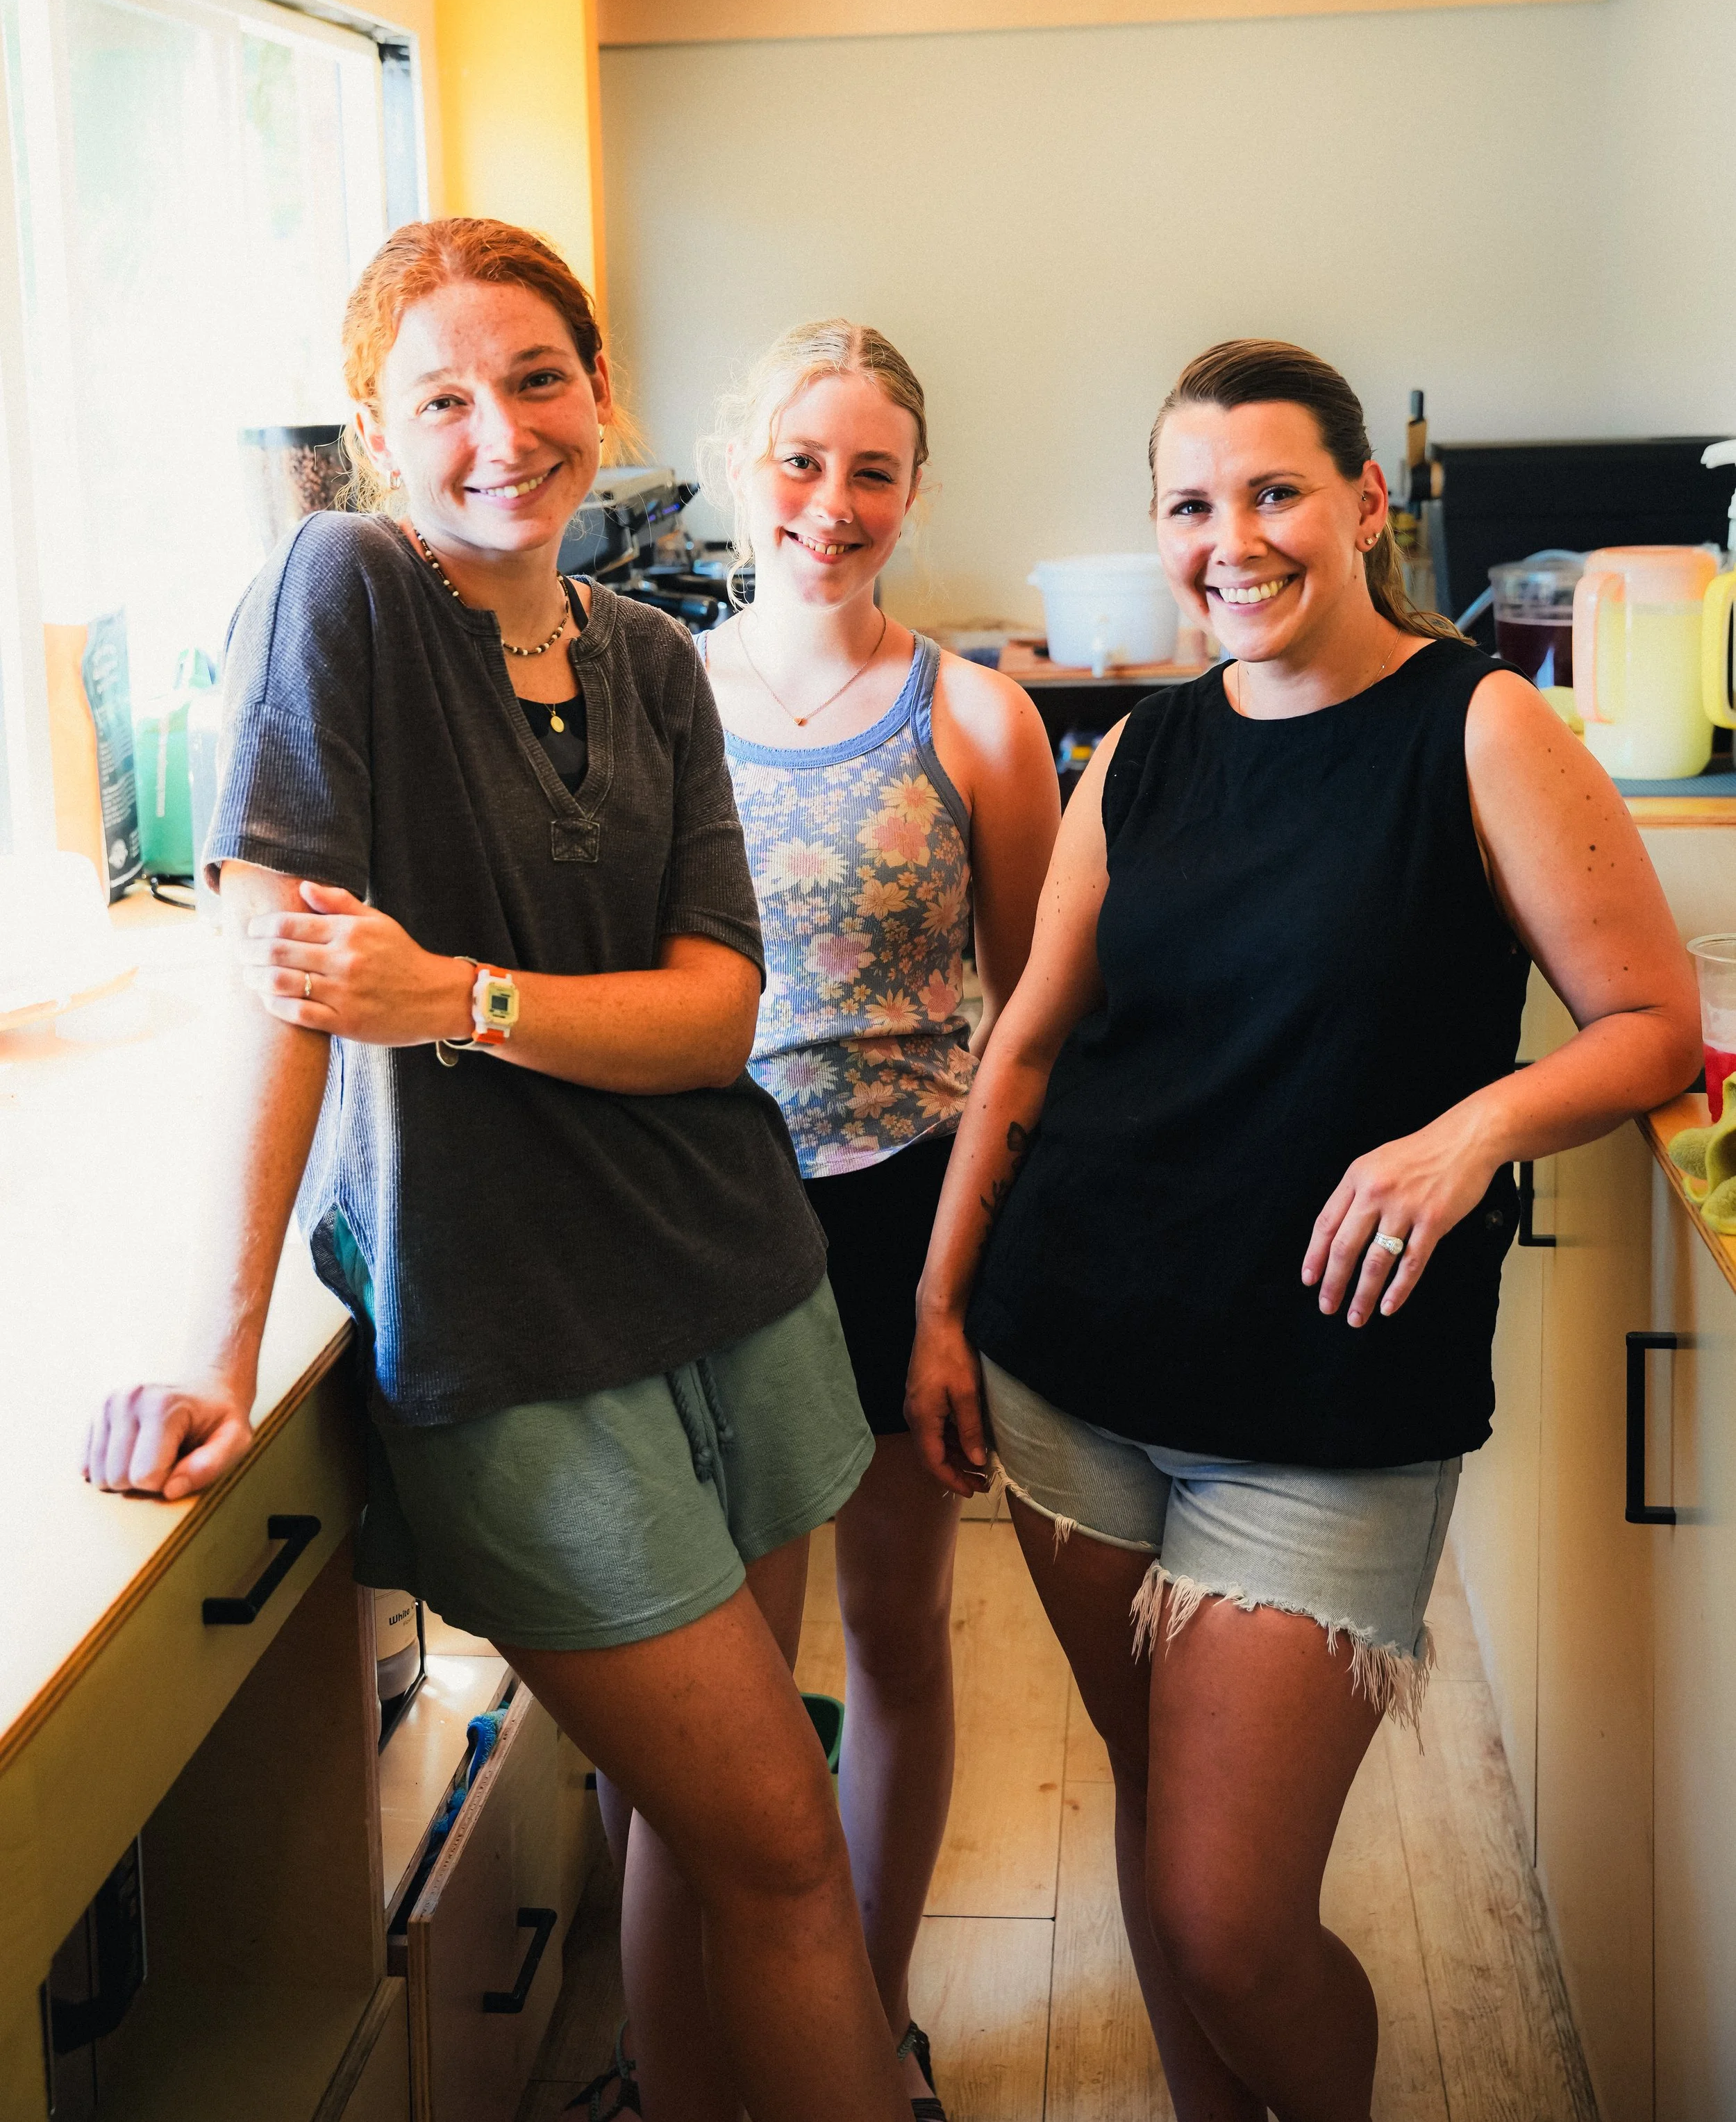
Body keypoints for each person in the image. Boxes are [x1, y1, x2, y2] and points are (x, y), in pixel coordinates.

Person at [82, 217, 910, 2122]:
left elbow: (715, 1018)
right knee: (787, 1850)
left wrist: (452, 991)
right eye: (439, 397)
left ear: (599, 392)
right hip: (514, 1334)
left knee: (708, 1839)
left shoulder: (649, 659)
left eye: (536, 378)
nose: (498, 432)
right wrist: (216, 1344)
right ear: (378, 438)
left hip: (738, 1280)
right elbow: (287, 986)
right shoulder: (338, 589)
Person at [904, 339, 1699, 2121]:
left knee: (1226, 1907)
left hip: (1327, 1408)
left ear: (1357, 504)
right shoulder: (1137, 752)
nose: (1230, 540)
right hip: (1074, 1367)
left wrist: (1460, 1135)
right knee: (1165, 1826)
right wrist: (942, 1304)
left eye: (1272, 493)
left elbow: (1645, 1017)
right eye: (1191, 504)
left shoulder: (1475, 723)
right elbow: (1027, 1037)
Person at [692, 318, 1059, 2115]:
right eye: (798, 460)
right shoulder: (650, 695)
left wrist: (951, 1293)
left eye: (869, 472)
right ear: (739, 460)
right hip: (700, 1229)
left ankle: (875, 2016)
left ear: (912, 493)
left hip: (907, 1228)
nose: (827, 505)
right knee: (728, 1686)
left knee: (900, 1640)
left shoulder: (977, 716)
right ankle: (704, 2039)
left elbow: (1030, 1029)